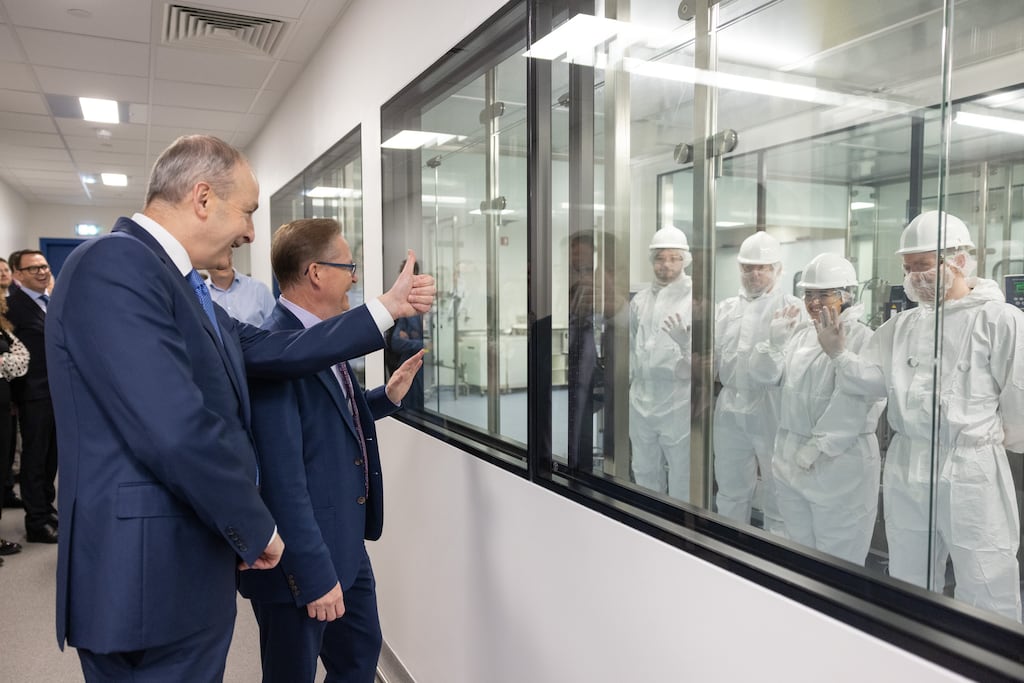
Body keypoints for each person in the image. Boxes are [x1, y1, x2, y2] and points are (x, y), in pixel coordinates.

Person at [45, 134, 436, 681]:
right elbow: (176, 430)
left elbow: (279, 349)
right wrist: (258, 529)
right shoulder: (115, 263)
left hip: (183, 568)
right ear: (203, 198)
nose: (252, 231)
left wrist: (386, 309)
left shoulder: (184, 287)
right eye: (248, 211)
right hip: (144, 578)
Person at [240, 218, 427, 682]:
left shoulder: (320, 339)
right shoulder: (277, 349)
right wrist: (313, 575)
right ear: (316, 273)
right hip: (302, 560)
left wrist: (386, 397)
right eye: (349, 267)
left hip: (345, 544)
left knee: (359, 658)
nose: (355, 278)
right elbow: (281, 481)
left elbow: (330, 420)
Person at [821, 211, 1023, 623]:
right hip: (908, 459)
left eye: (923, 265)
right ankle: (912, 648)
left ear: (959, 260)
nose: (914, 277)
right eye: (908, 268)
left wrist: (998, 441)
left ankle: (987, 654)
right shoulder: (903, 324)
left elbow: (1019, 393)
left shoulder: (999, 319)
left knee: (985, 574)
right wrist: (839, 353)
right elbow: (873, 381)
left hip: (971, 465)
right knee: (909, 571)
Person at [749, 254, 883, 563]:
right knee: (799, 553)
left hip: (839, 462)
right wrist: (773, 345)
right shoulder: (801, 335)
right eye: (809, 294)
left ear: (846, 295)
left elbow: (858, 399)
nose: (813, 302)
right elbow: (765, 378)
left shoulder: (863, 338)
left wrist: (818, 446)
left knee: (838, 558)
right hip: (791, 456)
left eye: (824, 294)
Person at [713, 231, 804, 534]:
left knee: (778, 489)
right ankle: (728, 547)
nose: (755, 274)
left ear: (777, 269)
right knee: (730, 487)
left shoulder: (793, 308)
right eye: (748, 267)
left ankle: (776, 552)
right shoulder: (726, 309)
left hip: (772, 406)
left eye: (762, 267)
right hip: (729, 404)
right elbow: (713, 360)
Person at [628, 225, 693, 501]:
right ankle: (647, 518)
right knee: (643, 468)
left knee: (681, 472)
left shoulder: (695, 298)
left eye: (674, 258)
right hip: (641, 396)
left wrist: (686, 346)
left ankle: (678, 524)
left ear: (685, 260)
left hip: (677, 399)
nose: (666, 265)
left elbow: (706, 358)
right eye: (660, 258)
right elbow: (633, 344)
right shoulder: (641, 300)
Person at [7, 250, 57, 544]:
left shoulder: (53, 301)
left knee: (52, 459)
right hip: (33, 394)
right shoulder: (12, 307)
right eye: (33, 268)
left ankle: (47, 509)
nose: (42, 272)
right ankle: (36, 521)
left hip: (57, 392)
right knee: (35, 459)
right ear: (18, 274)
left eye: (44, 266)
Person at [0, 291, 29, 562]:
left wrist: (4, 362)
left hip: (4, 408)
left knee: (2, 468)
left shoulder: (3, 327)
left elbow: (22, 356)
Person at [385, 259, 426, 412]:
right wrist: (422, 344)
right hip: (398, 359)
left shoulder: (419, 302)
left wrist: (415, 339)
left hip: (415, 362)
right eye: (402, 273)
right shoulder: (395, 300)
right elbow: (396, 341)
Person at [207, 250, 276, 326]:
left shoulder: (259, 289)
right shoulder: (199, 295)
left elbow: (276, 326)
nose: (225, 262)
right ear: (205, 263)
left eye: (227, 255)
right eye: (217, 258)